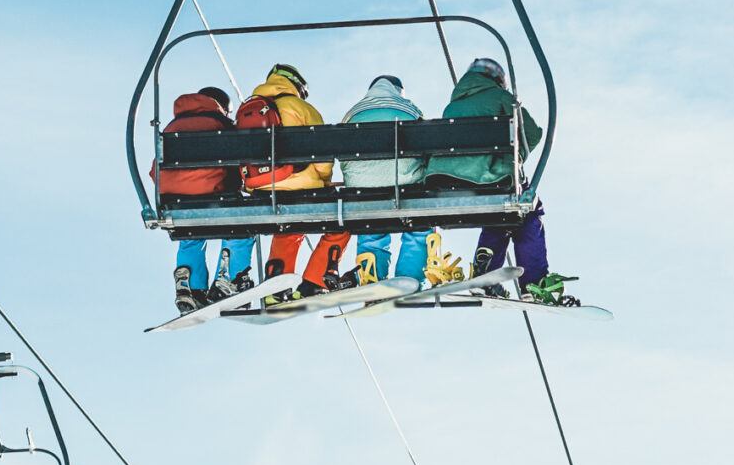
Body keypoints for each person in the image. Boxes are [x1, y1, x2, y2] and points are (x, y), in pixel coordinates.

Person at [428, 56, 566, 303]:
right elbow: (532, 132)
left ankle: (485, 275)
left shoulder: (452, 106)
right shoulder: (502, 98)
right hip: (490, 181)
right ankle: (532, 284)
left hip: (445, 183)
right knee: (526, 210)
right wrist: (516, 155)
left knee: (499, 213)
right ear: (498, 79)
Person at [240, 64, 343, 297]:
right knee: (342, 223)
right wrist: (325, 181)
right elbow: (322, 154)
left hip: (261, 188)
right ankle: (315, 281)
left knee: (288, 229)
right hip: (301, 184)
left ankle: (276, 286)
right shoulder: (300, 107)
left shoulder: (247, 109)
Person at [154, 85, 252, 311]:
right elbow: (240, 161)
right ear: (223, 108)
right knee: (240, 230)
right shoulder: (222, 124)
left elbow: (155, 169)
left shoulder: (171, 127)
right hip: (215, 194)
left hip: (176, 200)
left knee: (191, 235)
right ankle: (230, 279)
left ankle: (190, 286)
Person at [334, 73, 427, 285]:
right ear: (399, 90)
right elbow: (426, 147)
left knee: (371, 228)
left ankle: (371, 274)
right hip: (404, 182)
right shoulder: (409, 108)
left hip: (362, 187)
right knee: (419, 226)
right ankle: (409, 277)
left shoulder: (354, 112)